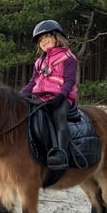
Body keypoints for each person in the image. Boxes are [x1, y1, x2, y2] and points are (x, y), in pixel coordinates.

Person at [20, 20, 78, 170]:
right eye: (40, 40)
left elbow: (69, 81)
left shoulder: (68, 57)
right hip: (40, 97)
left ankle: (61, 153)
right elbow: (32, 83)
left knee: (58, 115)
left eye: (46, 37)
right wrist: (19, 96)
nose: (43, 41)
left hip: (61, 97)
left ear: (56, 36)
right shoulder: (39, 62)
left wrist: (61, 97)